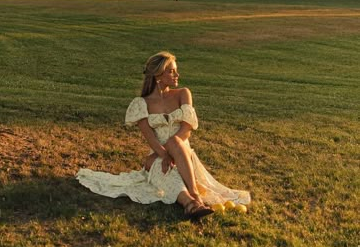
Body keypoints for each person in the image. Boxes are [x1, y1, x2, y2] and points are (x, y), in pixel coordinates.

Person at [76, 51, 251, 220]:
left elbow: (187, 128)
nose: (177, 74)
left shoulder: (183, 94)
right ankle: (191, 203)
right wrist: (164, 154)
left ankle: (193, 196)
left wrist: (173, 146)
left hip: (184, 154)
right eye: (171, 71)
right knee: (165, 167)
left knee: (176, 142)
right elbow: (150, 138)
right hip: (158, 154)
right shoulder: (141, 103)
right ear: (158, 75)